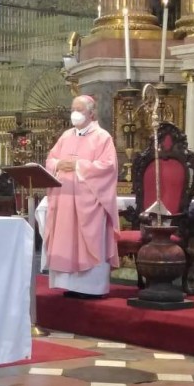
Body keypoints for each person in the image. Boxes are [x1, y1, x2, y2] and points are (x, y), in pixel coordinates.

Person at [43, 95, 119, 298]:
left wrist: (78, 166)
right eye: (72, 109)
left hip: (89, 201)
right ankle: (71, 285)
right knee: (66, 241)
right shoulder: (66, 135)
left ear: (91, 113)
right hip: (65, 198)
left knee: (89, 242)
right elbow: (51, 159)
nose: (74, 114)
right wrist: (59, 164)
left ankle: (91, 288)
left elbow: (108, 167)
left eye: (79, 110)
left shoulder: (102, 137)